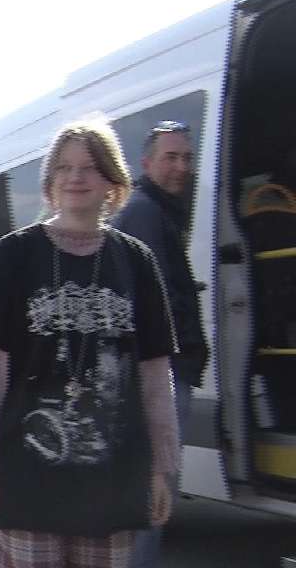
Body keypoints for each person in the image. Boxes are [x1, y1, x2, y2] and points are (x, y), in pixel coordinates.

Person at [0, 120, 180, 568]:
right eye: (64, 167)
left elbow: (155, 378)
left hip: (112, 482)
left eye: (90, 167)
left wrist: (160, 469)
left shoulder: (136, 261)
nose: (76, 177)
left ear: (112, 181)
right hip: (27, 477)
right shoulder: (13, 256)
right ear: (50, 180)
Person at [111, 120, 206, 567]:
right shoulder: (146, 212)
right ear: (146, 163)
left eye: (187, 157)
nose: (181, 167)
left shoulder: (158, 210)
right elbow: (150, 302)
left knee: (152, 488)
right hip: (160, 375)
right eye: (171, 157)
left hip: (164, 370)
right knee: (154, 487)